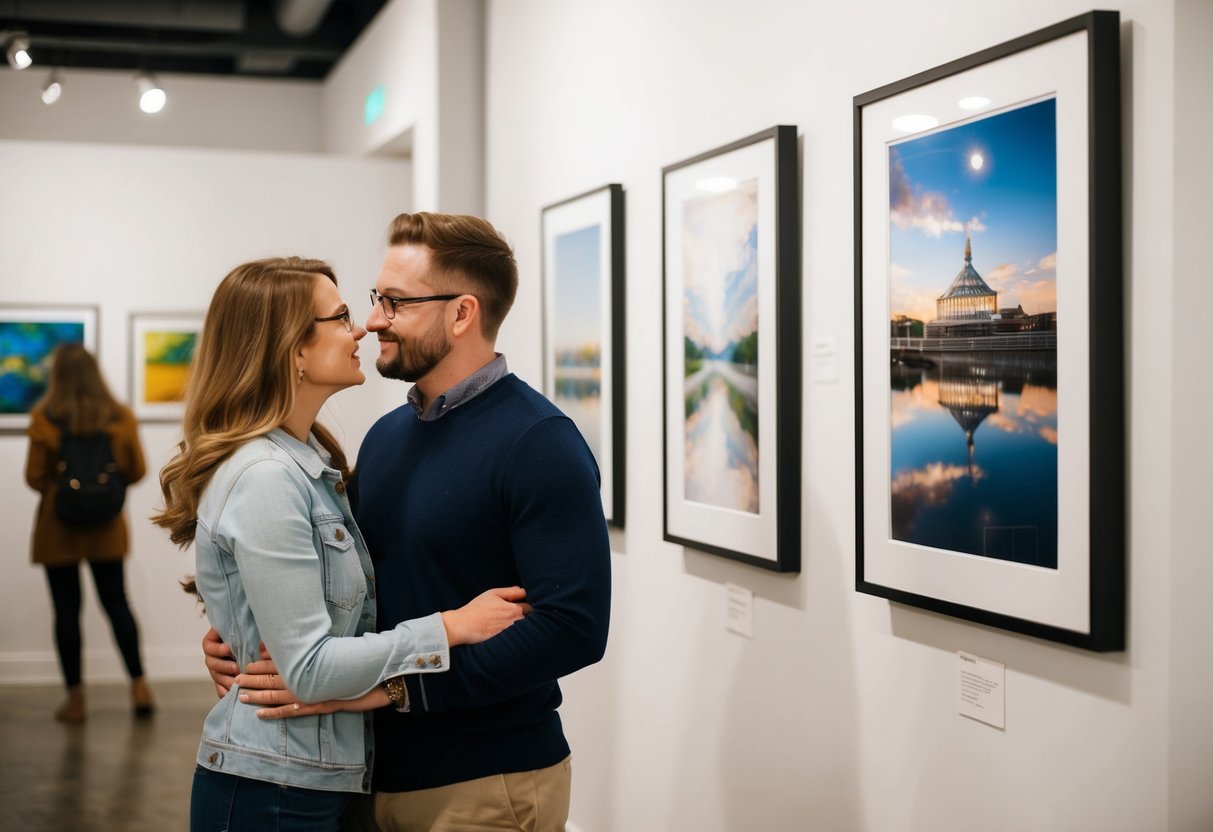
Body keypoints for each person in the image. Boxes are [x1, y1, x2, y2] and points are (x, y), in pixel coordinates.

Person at [208, 213, 612, 832]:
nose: (373, 322)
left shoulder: (540, 443)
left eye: (394, 302)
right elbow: (352, 585)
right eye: (374, 300)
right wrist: (244, 633)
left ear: (461, 314)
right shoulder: (387, 438)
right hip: (371, 771)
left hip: (484, 778)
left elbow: (573, 629)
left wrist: (397, 691)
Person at [154, 256, 530, 831]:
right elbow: (307, 668)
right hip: (274, 786)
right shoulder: (268, 476)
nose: (362, 328)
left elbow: (314, 614)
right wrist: (451, 627)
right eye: (342, 316)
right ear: (294, 349)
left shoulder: (314, 465)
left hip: (312, 777)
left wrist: (244, 628)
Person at [25, 343, 154, 724]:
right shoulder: (120, 417)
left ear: (58, 376)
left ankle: (76, 699)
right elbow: (138, 469)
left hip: (58, 528)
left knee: (66, 611)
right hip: (106, 527)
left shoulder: (43, 419)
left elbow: (34, 477)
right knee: (118, 603)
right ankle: (140, 686)